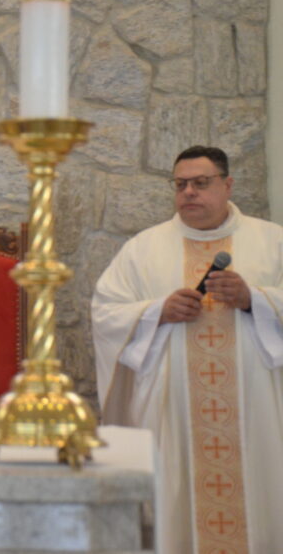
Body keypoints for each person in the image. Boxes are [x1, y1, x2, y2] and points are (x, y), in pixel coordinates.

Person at [91, 146, 283, 553]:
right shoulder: (143, 248)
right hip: (174, 410)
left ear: (228, 185)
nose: (189, 193)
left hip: (257, 410)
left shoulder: (272, 241)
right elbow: (106, 312)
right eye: (181, 185)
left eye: (201, 183)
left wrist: (256, 299)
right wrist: (157, 311)